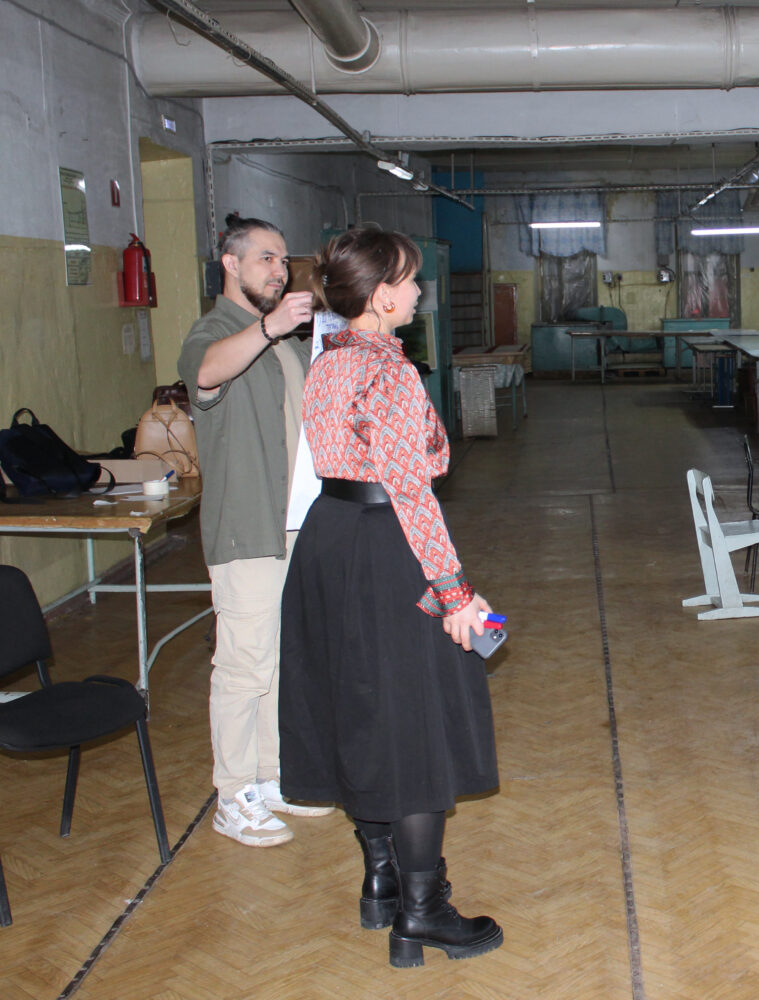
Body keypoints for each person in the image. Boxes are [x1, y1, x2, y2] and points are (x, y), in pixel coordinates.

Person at [278, 228, 504, 966]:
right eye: (408, 280)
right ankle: (422, 910)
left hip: (330, 538)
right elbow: (411, 494)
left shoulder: (329, 359)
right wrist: (456, 594)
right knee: (414, 724)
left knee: (355, 708)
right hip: (385, 548)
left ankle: (380, 878)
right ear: (380, 296)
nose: (417, 291)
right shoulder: (390, 372)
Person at [177, 214, 333, 848]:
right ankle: (233, 792)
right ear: (230, 264)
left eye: (283, 259)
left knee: (276, 659)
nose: (278, 270)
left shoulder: (286, 343)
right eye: (265, 258)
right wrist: (269, 327)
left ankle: (269, 777)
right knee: (243, 664)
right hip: (247, 530)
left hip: (294, 526)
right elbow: (206, 372)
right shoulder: (216, 332)